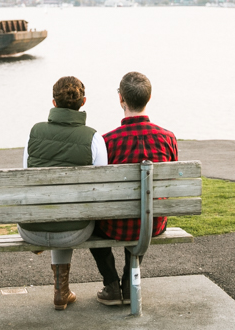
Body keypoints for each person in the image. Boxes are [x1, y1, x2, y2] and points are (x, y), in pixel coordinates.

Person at [18, 76, 108, 310]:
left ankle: (61, 290)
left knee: (56, 208)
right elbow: (101, 187)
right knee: (68, 212)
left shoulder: (34, 133)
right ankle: (61, 290)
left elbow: (26, 175)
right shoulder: (94, 138)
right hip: (74, 231)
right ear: (84, 101)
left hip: (31, 230)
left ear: (54, 103)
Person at [90, 71, 178, 306]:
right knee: (144, 212)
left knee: (92, 225)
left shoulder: (107, 141)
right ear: (148, 98)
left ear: (121, 99)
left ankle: (111, 284)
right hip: (153, 224)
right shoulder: (167, 138)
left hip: (115, 226)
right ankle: (130, 284)